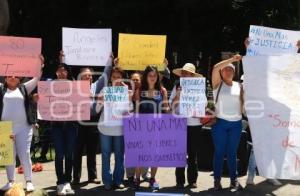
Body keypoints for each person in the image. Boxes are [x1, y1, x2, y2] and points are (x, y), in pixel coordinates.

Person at [0, 56, 44, 192]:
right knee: (8, 156)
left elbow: (37, 78)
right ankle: (10, 181)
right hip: (5, 128)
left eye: (15, 75)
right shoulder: (1, 89)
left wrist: (40, 64)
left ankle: (29, 181)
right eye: (9, 75)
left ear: (19, 78)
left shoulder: (24, 88)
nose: (12, 77)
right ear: (5, 78)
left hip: (24, 127)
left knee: (24, 154)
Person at [72, 55, 113, 185]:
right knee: (77, 150)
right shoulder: (74, 86)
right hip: (78, 121)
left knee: (91, 150)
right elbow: (64, 79)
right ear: (79, 77)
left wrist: (110, 61)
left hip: (93, 120)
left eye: (89, 75)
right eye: (85, 75)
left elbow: (106, 74)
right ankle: (76, 177)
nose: (88, 77)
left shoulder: (96, 85)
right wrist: (62, 60)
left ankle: (92, 176)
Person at [169, 63, 206, 189]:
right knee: (180, 153)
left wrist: (200, 111)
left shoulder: (199, 88)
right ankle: (179, 180)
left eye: (188, 73)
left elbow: (204, 104)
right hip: (180, 123)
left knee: (192, 154)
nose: (185, 75)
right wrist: (178, 96)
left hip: (194, 124)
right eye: (183, 73)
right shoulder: (177, 87)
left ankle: (192, 180)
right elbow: (171, 106)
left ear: (192, 75)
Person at [211, 54, 244, 192]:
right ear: (221, 72)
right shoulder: (217, 84)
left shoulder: (240, 86)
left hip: (236, 123)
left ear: (234, 72)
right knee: (219, 152)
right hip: (220, 123)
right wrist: (232, 60)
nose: (228, 71)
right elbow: (214, 67)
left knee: (232, 153)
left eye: (230, 69)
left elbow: (243, 104)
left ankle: (233, 180)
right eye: (225, 69)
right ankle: (217, 181)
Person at [134, 65, 170, 190]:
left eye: (155, 75)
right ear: (146, 76)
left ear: (158, 77)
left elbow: (166, 110)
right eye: (150, 75)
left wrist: (176, 99)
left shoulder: (162, 91)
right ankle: (137, 179)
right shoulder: (140, 91)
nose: (152, 78)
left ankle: (152, 179)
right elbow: (137, 111)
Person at [95, 66, 130, 191]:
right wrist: (100, 102)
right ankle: (107, 181)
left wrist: (129, 105)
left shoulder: (127, 91)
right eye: (114, 77)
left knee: (120, 155)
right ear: (111, 78)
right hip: (105, 128)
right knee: (105, 155)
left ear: (122, 78)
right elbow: (97, 110)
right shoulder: (105, 90)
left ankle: (118, 180)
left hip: (120, 128)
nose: (116, 79)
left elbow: (130, 110)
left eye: (118, 77)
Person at [51, 63, 78, 195]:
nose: (62, 73)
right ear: (56, 72)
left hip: (71, 126)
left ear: (68, 72)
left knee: (69, 154)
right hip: (56, 126)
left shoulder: (74, 85)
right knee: (59, 154)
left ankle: (67, 181)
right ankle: (60, 182)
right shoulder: (49, 85)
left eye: (64, 70)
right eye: (59, 70)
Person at [125, 72, 151, 184]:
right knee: (131, 150)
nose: (135, 81)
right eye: (133, 79)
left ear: (141, 81)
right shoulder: (124, 91)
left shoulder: (145, 92)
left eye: (137, 79)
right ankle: (130, 175)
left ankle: (144, 174)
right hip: (130, 125)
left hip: (145, 125)